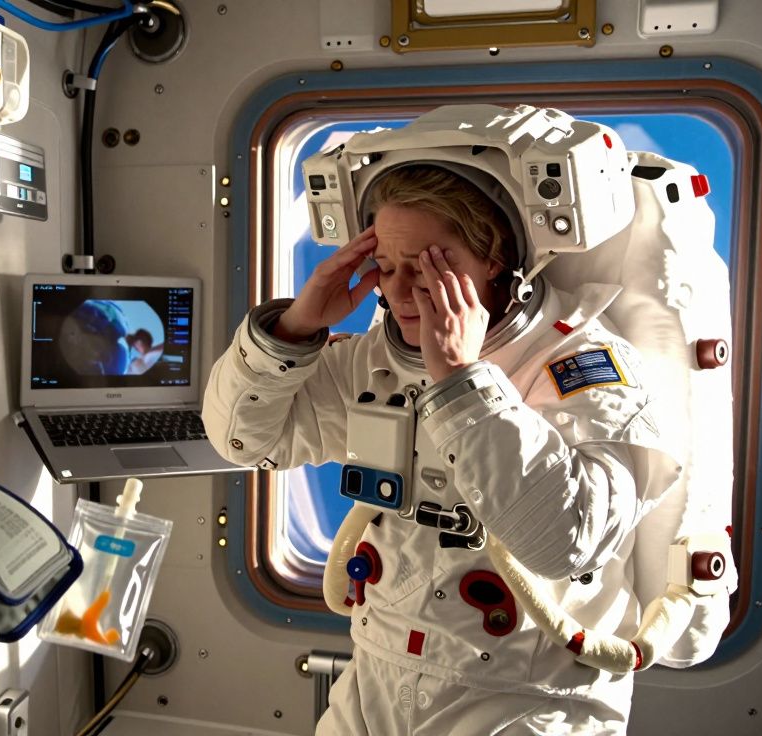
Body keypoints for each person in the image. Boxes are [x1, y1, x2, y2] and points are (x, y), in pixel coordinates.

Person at [203, 164, 680, 734]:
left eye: (432, 266)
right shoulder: (372, 358)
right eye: (385, 267)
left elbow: (566, 542)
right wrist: (296, 327)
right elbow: (244, 438)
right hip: (375, 677)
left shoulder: (582, 364)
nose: (400, 291)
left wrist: (460, 377)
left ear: (498, 259)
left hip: (526, 697)